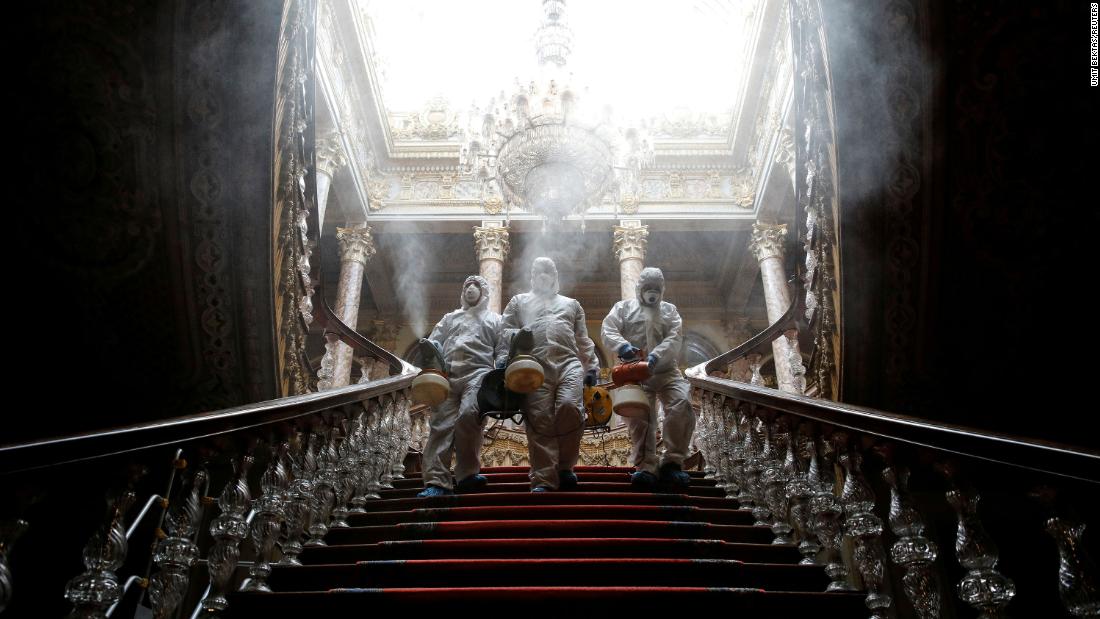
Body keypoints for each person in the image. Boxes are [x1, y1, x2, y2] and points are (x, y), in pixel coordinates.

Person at [499, 257, 598, 492]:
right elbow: (504, 331)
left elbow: (583, 339)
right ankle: (543, 479)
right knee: (539, 418)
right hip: (533, 365)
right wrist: (509, 351)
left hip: (569, 363)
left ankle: (565, 468)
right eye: (539, 271)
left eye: (548, 271)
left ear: (554, 275)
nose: (543, 275)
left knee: (570, 408)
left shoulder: (571, 304)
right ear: (532, 275)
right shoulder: (519, 301)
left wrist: (591, 366)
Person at [601, 267, 694, 489]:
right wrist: (622, 346)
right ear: (639, 288)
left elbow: (674, 338)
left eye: (656, 288)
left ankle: (673, 462)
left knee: (681, 404)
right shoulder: (623, 308)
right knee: (641, 419)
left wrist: (656, 356)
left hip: (666, 370)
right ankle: (646, 467)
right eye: (647, 288)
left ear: (662, 290)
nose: (651, 292)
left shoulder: (670, 311)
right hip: (635, 372)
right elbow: (608, 329)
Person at [417, 275, 501, 497]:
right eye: (467, 286)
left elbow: (502, 348)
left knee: (469, 415)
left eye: (476, 286)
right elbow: (435, 342)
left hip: (478, 374)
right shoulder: (450, 318)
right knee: (440, 426)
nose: (471, 289)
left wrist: (502, 367)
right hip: (447, 376)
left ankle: (467, 474)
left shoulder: (494, 320)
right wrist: (429, 350)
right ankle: (436, 481)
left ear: (483, 292)